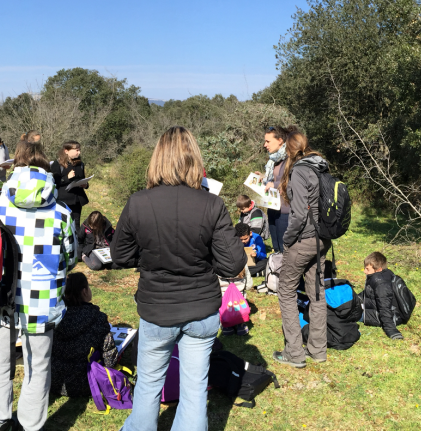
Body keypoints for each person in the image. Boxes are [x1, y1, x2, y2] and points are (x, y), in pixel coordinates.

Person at [111, 126, 247, 431]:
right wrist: (203, 257)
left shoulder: (139, 202)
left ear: (157, 159)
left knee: (147, 387)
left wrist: (148, 258)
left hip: (158, 310)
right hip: (200, 310)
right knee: (195, 391)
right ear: (194, 160)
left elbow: (119, 256)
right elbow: (234, 263)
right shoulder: (211, 204)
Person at [0, 140, 76, 431]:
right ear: (46, 167)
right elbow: (70, 258)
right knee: (39, 365)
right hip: (42, 300)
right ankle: (30, 424)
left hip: (1, 296)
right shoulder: (61, 213)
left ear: (15, 165)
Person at [273, 131, 332, 368]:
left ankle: (295, 354)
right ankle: (318, 350)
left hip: (303, 240)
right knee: (316, 293)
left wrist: (287, 240)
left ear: (289, 149)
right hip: (322, 239)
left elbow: (297, 215)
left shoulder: (298, 170)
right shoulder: (320, 167)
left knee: (286, 291)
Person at [50, 272, 119, 397]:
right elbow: (110, 355)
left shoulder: (54, 317)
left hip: (54, 380)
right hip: (87, 383)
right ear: (84, 291)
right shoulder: (98, 318)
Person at [256, 126, 291, 252]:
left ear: (280, 140)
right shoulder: (274, 160)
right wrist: (263, 177)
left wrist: (274, 185)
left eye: (268, 141)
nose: (265, 145)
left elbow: (292, 182)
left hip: (285, 212)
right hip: (273, 208)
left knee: (285, 249)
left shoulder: (290, 158)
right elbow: (276, 177)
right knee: (276, 247)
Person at [361, 251, 404, 340]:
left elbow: (384, 307)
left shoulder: (380, 283)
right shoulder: (381, 275)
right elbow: (369, 292)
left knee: (345, 312)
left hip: (376, 316)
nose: (364, 271)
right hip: (372, 309)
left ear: (379, 269)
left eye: (367, 269)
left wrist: (392, 330)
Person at [50, 141, 89, 228]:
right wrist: (67, 178)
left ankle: (76, 241)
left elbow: (82, 179)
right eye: (76, 150)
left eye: (79, 150)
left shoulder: (80, 164)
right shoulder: (56, 165)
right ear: (66, 151)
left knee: (76, 225)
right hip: (63, 200)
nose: (79, 152)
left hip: (77, 200)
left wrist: (85, 185)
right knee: (62, 224)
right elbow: (54, 183)